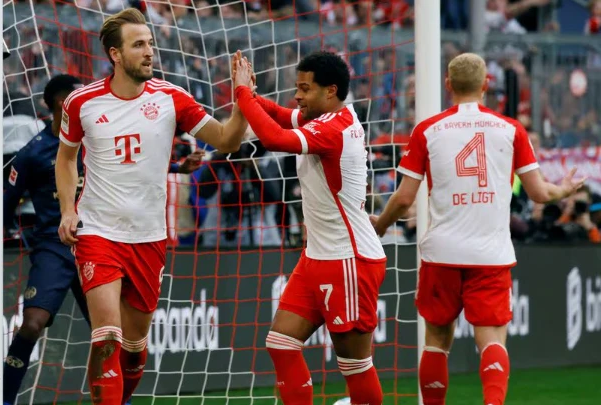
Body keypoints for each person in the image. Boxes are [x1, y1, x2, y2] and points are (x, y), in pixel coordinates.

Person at [54, 8, 248, 404]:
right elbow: (66, 158)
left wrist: (242, 96)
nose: (149, 52)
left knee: (134, 348)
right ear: (115, 53)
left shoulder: (172, 98)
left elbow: (227, 141)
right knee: (106, 337)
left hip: (149, 236)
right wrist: (68, 211)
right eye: (138, 44)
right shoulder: (82, 102)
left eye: (150, 44)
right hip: (98, 231)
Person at [371, 53, 585, 405]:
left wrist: (379, 225)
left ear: (448, 85)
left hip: (441, 253)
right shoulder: (510, 129)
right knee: (492, 343)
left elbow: (404, 199)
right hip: (490, 254)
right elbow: (539, 193)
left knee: (436, 342)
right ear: (487, 85)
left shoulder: (427, 130)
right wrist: (564, 188)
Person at [233, 51, 387, 405]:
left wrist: (243, 95)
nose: (297, 96)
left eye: (304, 88)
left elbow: (274, 138)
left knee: (354, 364)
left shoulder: (333, 129)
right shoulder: (325, 118)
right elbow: (283, 116)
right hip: (318, 255)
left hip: (348, 259)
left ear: (330, 91)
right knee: (281, 343)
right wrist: (251, 96)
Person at [2, 74, 89, 405]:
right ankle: (5, 397)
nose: (75, 106)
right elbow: (6, 202)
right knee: (32, 324)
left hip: (94, 245)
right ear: (52, 105)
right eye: (68, 100)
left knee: (108, 331)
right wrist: (17, 237)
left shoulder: (95, 143)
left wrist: (180, 167)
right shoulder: (32, 152)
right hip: (53, 248)